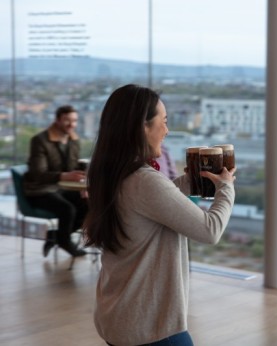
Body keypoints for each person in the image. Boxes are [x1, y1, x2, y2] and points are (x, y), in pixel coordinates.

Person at [83, 84, 236, 346]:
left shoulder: (109, 174)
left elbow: (149, 205)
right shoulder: (144, 181)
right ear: (142, 127)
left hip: (118, 320)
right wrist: (226, 187)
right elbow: (210, 230)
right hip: (151, 327)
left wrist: (189, 182)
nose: (166, 131)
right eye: (163, 123)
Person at [24, 104, 88, 257]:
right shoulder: (40, 140)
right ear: (57, 120)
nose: (71, 124)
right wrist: (65, 176)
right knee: (68, 210)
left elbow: (72, 165)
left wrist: (87, 169)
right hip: (39, 190)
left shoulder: (73, 140)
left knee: (89, 206)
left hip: (60, 188)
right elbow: (38, 173)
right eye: (67, 120)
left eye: (74, 121)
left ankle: (55, 236)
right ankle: (64, 241)